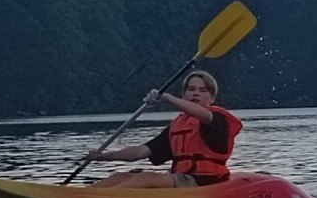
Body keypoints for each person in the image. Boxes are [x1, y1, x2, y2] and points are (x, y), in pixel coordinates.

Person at [90, 70, 243, 187]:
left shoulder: (217, 118)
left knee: (147, 178)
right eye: (191, 89)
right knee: (120, 177)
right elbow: (141, 151)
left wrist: (166, 97)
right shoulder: (177, 126)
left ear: (212, 98)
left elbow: (205, 115)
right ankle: (88, 194)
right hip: (182, 178)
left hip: (207, 180)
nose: (196, 93)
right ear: (184, 94)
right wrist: (103, 156)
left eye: (203, 90)